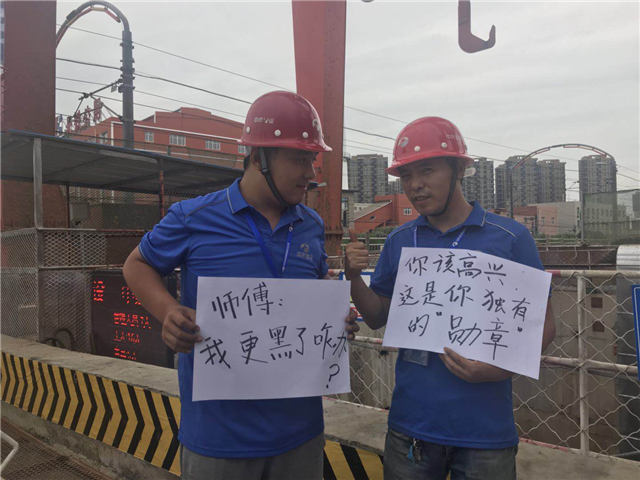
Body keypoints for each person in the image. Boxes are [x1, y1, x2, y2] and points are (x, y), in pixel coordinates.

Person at [123, 90, 358, 480]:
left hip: (300, 435)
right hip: (219, 439)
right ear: (259, 157)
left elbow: (316, 287)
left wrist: (335, 319)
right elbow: (137, 264)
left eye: (312, 160)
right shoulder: (194, 217)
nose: (311, 174)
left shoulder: (310, 226)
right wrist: (169, 312)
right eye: (300, 160)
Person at [344, 116, 555, 480]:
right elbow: (377, 316)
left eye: (427, 171)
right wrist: (351, 277)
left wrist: (498, 370)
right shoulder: (399, 241)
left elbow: (545, 327)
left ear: (458, 169)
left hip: (484, 434)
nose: (415, 185)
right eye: (406, 175)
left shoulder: (510, 239)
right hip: (411, 428)